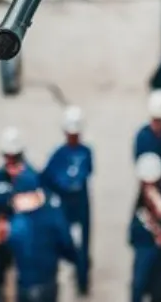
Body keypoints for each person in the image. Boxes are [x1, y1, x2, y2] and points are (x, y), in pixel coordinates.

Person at [42, 106, 94, 296]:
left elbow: (84, 174)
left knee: (82, 247)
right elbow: (46, 179)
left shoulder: (86, 152)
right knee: (63, 245)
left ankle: (83, 283)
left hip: (81, 207)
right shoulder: (58, 156)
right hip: (65, 208)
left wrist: (68, 183)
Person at [7, 171, 80, 302]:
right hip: (47, 284)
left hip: (24, 285)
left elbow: (7, 251)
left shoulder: (15, 224)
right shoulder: (52, 218)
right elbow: (67, 244)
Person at [0, 128, 34, 302]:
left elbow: (33, 203)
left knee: (25, 281)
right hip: (1, 239)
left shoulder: (30, 178)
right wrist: (11, 201)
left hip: (22, 240)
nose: (10, 161)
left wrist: (17, 183)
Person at [129, 153, 161, 302]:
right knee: (147, 287)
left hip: (150, 249)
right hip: (148, 246)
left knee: (149, 287)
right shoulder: (144, 201)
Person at [133, 90, 161, 188]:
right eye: (156, 120)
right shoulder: (143, 137)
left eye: (160, 120)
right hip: (149, 181)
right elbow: (140, 162)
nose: (158, 124)